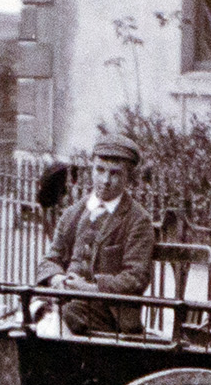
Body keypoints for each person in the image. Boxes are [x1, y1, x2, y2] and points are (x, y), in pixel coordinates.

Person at [35, 134, 156, 335]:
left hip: (111, 312)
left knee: (63, 315)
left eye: (115, 173)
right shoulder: (73, 214)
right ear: (91, 169)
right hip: (67, 302)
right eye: (99, 170)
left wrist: (89, 288)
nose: (105, 180)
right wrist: (57, 279)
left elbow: (136, 278)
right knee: (30, 310)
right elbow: (51, 259)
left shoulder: (138, 220)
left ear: (128, 177)